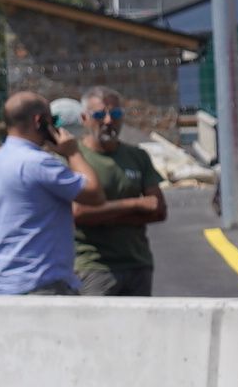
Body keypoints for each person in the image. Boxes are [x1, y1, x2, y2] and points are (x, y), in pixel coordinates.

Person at [0, 88, 91, 297]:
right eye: (52, 120)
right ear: (38, 121)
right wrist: (73, 152)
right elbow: (94, 193)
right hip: (42, 285)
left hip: (0, 286)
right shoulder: (39, 163)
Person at [70, 88, 168, 296]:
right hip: (94, 267)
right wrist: (135, 205)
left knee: (139, 328)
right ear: (84, 118)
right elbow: (78, 214)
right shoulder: (73, 158)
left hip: (137, 264)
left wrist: (101, 214)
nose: (108, 121)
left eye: (115, 115)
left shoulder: (138, 157)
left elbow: (158, 210)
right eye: (99, 115)